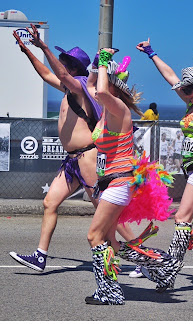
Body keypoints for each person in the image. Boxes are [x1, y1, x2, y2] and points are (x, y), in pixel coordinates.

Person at [8, 24, 137, 273]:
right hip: (71, 161)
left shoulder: (79, 86)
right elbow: (47, 74)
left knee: (104, 210)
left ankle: (138, 253)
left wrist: (43, 46)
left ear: (75, 68)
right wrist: (27, 51)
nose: (61, 63)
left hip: (88, 157)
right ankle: (40, 256)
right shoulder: (69, 89)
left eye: (65, 60)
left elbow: (61, 76)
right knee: (50, 203)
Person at [86, 48, 181, 305]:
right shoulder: (106, 111)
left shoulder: (118, 109)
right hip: (110, 184)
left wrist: (105, 60)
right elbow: (94, 85)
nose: (96, 91)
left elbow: (102, 91)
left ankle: (109, 292)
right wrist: (97, 64)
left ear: (114, 91)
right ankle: (161, 265)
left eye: (103, 87)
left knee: (94, 236)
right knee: (110, 241)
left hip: (119, 182)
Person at [135, 39, 193, 278]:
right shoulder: (190, 104)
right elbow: (170, 76)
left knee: (182, 216)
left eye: (191, 90)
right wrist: (151, 53)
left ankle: (170, 269)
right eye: (185, 91)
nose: (187, 94)